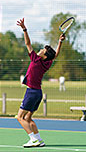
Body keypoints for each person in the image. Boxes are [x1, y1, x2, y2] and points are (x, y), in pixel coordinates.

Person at [16, 18, 65, 148]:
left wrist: (24, 29)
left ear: (43, 55)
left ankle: (33, 139)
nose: (40, 50)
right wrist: (60, 42)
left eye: (43, 50)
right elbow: (55, 55)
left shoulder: (36, 59)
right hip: (38, 93)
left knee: (20, 117)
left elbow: (27, 43)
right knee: (28, 118)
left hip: (32, 92)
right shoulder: (47, 63)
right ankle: (39, 139)